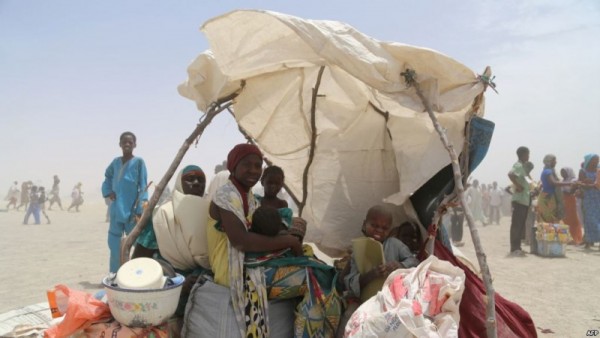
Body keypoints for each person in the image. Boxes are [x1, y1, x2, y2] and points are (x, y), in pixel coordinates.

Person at [204, 143, 339, 337]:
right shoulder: (226, 195)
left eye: (258, 165)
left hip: (250, 262)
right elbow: (241, 241)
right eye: (247, 164)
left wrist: (287, 236)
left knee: (320, 267)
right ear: (233, 166)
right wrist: (289, 242)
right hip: (236, 271)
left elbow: (256, 228)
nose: (253, 170)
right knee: (315, 278)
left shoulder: (247, 195)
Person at [338, 205, 419, 337]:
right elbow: (349, 281)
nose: (379, 230)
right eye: (374, 225)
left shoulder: (395, 244)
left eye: (384, 228)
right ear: (365, 224)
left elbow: (414, 261)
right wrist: (371, 275)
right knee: (348, 317)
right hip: (363, 301)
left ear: (390, 230)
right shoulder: (358, 249)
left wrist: (399, 264)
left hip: (392, 300)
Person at [102, 131, 148, 273]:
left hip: (132, 211)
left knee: (135, 243)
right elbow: (107, 177)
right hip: (116, 209)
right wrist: (108, 191)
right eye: (124, 142)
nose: (127, 144)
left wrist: (141, 208)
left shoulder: (139, 162)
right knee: (114, 243)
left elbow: (143, 186)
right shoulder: (115, 162)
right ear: (120, 144)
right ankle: (115, 274)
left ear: (135, 145)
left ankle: (135, 274)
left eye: (130, 142)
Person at [507, 146, 531, 256]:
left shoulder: (523, 168)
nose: (528, 156)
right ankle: (514, 248)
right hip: (519, 200)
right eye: (527, 154)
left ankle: (518, 247)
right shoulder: (518, 165)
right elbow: (511, 174)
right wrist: (518, 186)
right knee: (516, 225)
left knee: (521, 225)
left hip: (524, 200)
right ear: (522, 155)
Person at [536, 154, 573, 223]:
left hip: (548, 196)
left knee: (550, 219)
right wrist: (569, 183)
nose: (556, 162)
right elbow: (554, 183)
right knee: (550, 219)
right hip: (548, 198)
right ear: (549, 161)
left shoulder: (550, 171)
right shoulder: (548, 172)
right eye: (554, 160)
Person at [579, 154, 600, 249]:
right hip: (588, 198)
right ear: (589, 160)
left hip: (598, 198)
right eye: (594, 160)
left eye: (597, 160)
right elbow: (582, 184)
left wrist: (591, 183)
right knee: (589, 220)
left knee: (598, 219)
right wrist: (593, 185)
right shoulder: (583, 171)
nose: (596, 162)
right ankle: (588, 240)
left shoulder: (598, 170)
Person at [560, 167, 583, 245]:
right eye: (561, 172)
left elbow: (572, 190)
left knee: (574, 220)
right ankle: (568, 237)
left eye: (564, 172)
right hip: (564, 201)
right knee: (565, 220)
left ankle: (576, 238)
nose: (562, 174)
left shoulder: (573, 180)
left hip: (571, 201)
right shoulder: (563, 181)